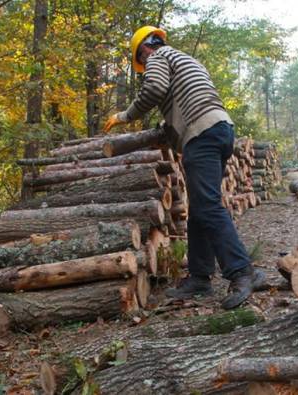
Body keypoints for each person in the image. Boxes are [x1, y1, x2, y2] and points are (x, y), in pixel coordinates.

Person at [103, 26, 265, 309]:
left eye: (141, 60)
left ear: (143, 50)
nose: (144, 65)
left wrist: (125, 115)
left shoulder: (157, 57)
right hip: (220, 129)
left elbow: (154, 88)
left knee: (209, 207)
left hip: (202, 135)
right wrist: (167, 128)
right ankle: (200, 277)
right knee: (201, 209)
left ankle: (243, 272)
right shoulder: (186, 60)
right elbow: (185, 101)